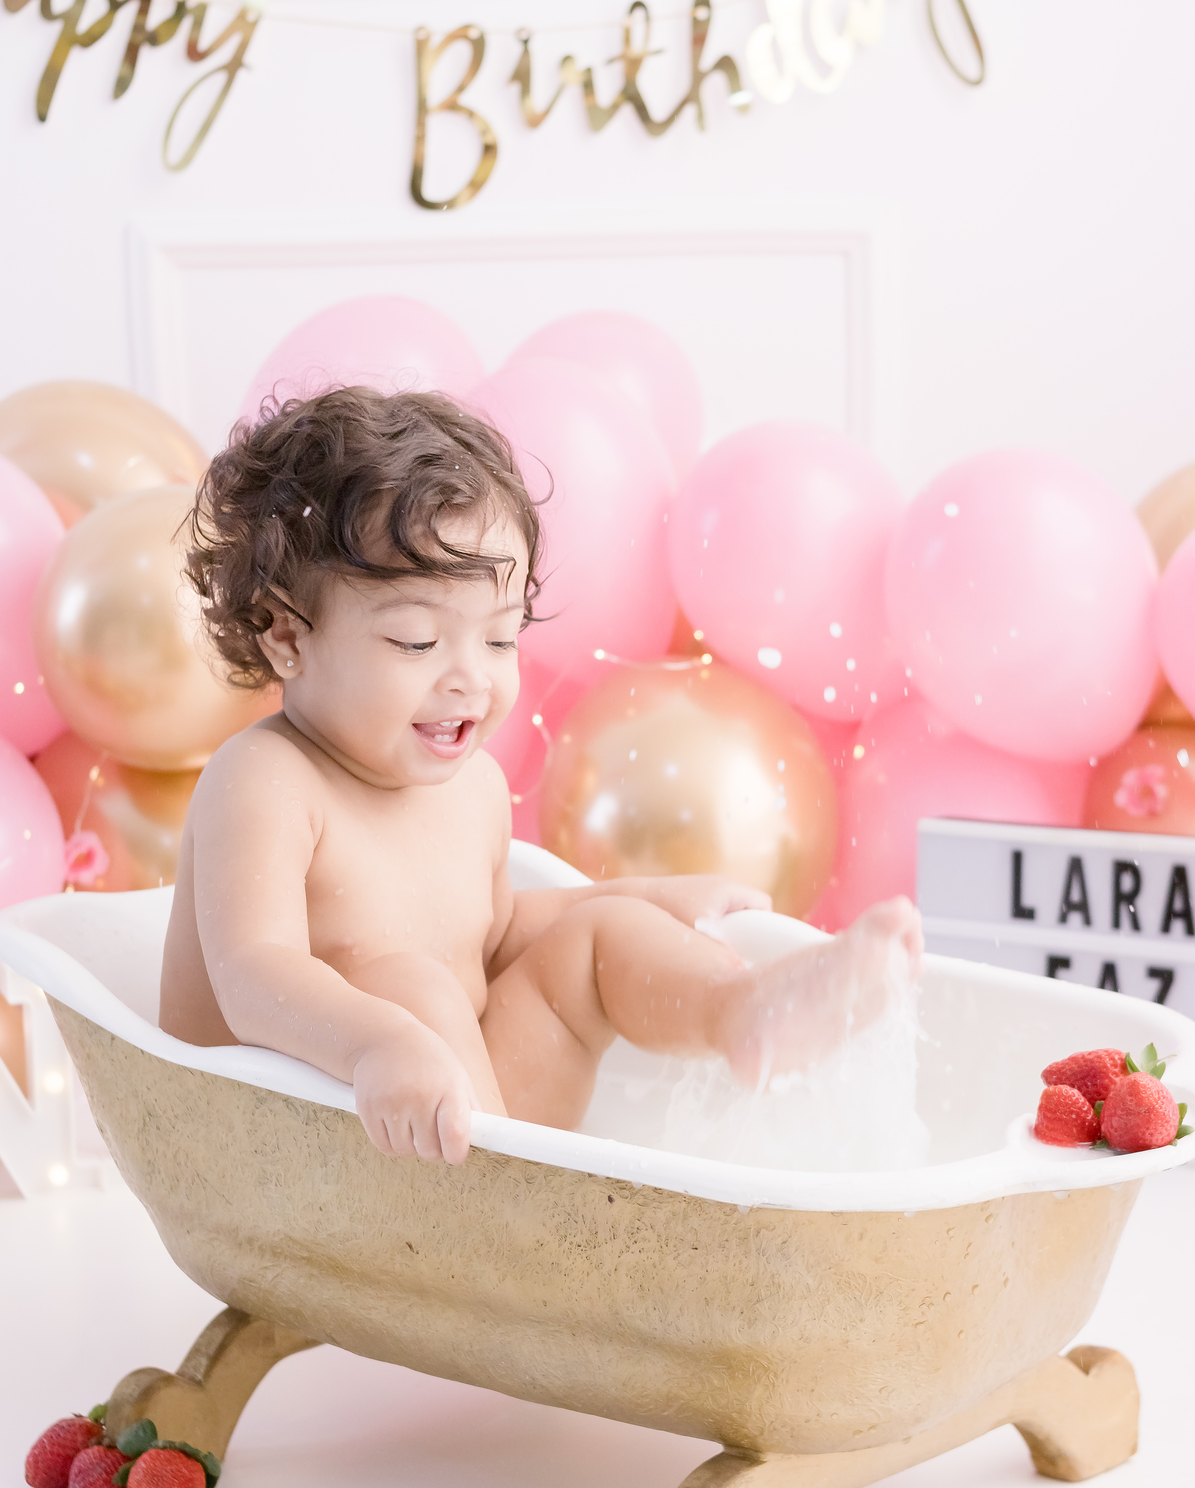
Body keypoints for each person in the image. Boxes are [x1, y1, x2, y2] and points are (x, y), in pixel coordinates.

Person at [161, 386, 922, 1165]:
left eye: (498, 640)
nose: (471, 680)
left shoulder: (472, 789)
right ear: (287, 636)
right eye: (418, 643)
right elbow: (255, 975)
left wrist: (644, 901)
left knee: (595, 941)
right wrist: (379, 1046)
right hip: (298, 1142)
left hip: (465, 1129)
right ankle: (508, 1223)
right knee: (413, 990)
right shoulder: (265, 781)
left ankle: (745, 1012)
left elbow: (490, 939)